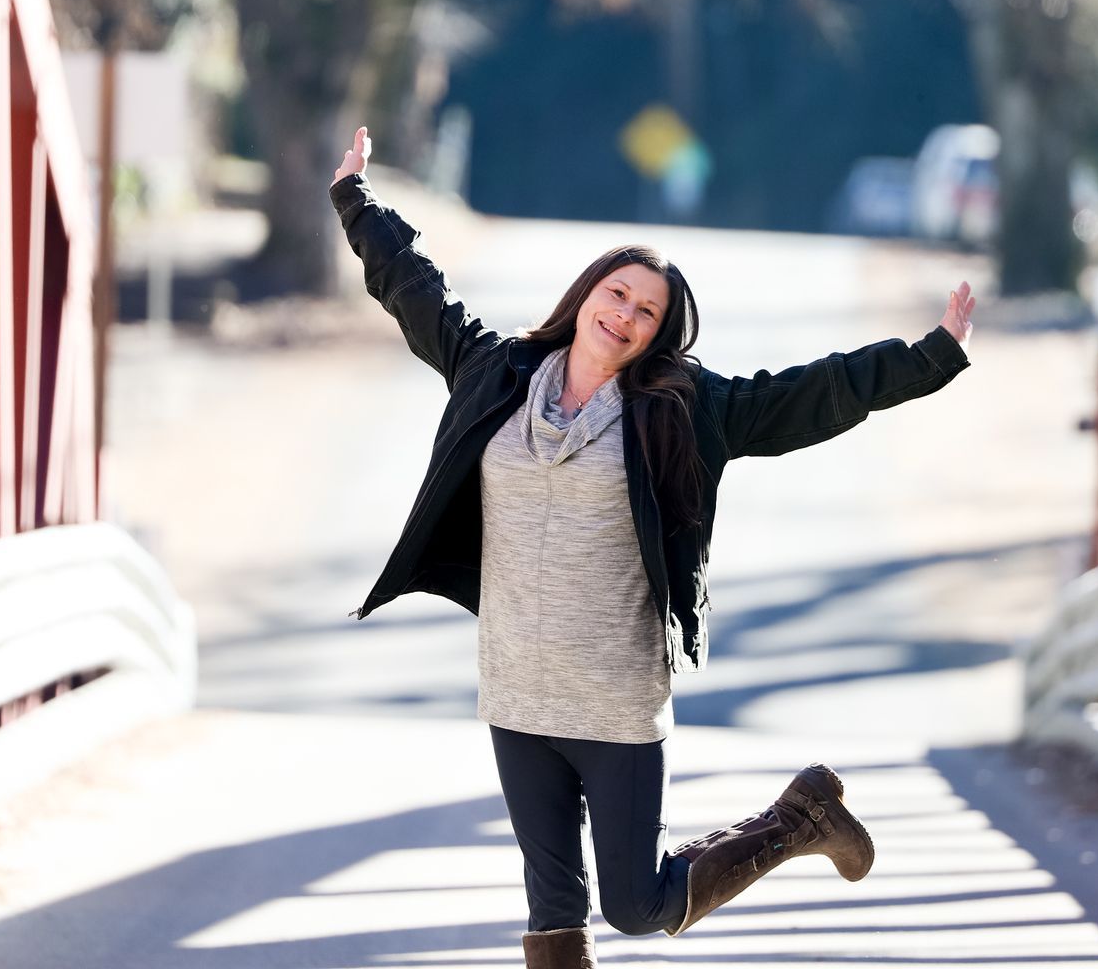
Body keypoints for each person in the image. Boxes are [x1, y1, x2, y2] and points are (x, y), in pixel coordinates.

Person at [329, 125, 974, 968]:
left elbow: (806, 396)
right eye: (618, 294)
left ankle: (799, 820)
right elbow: (415, 291)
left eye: (647, 312)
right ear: (587, 291)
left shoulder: (678, 407)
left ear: (658, 333)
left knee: (637, 905)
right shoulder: (498, 372)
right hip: (516, 691)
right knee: (553, 913)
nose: (625, 316)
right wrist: (356, 200)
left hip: (613, 699)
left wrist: (929, 357)